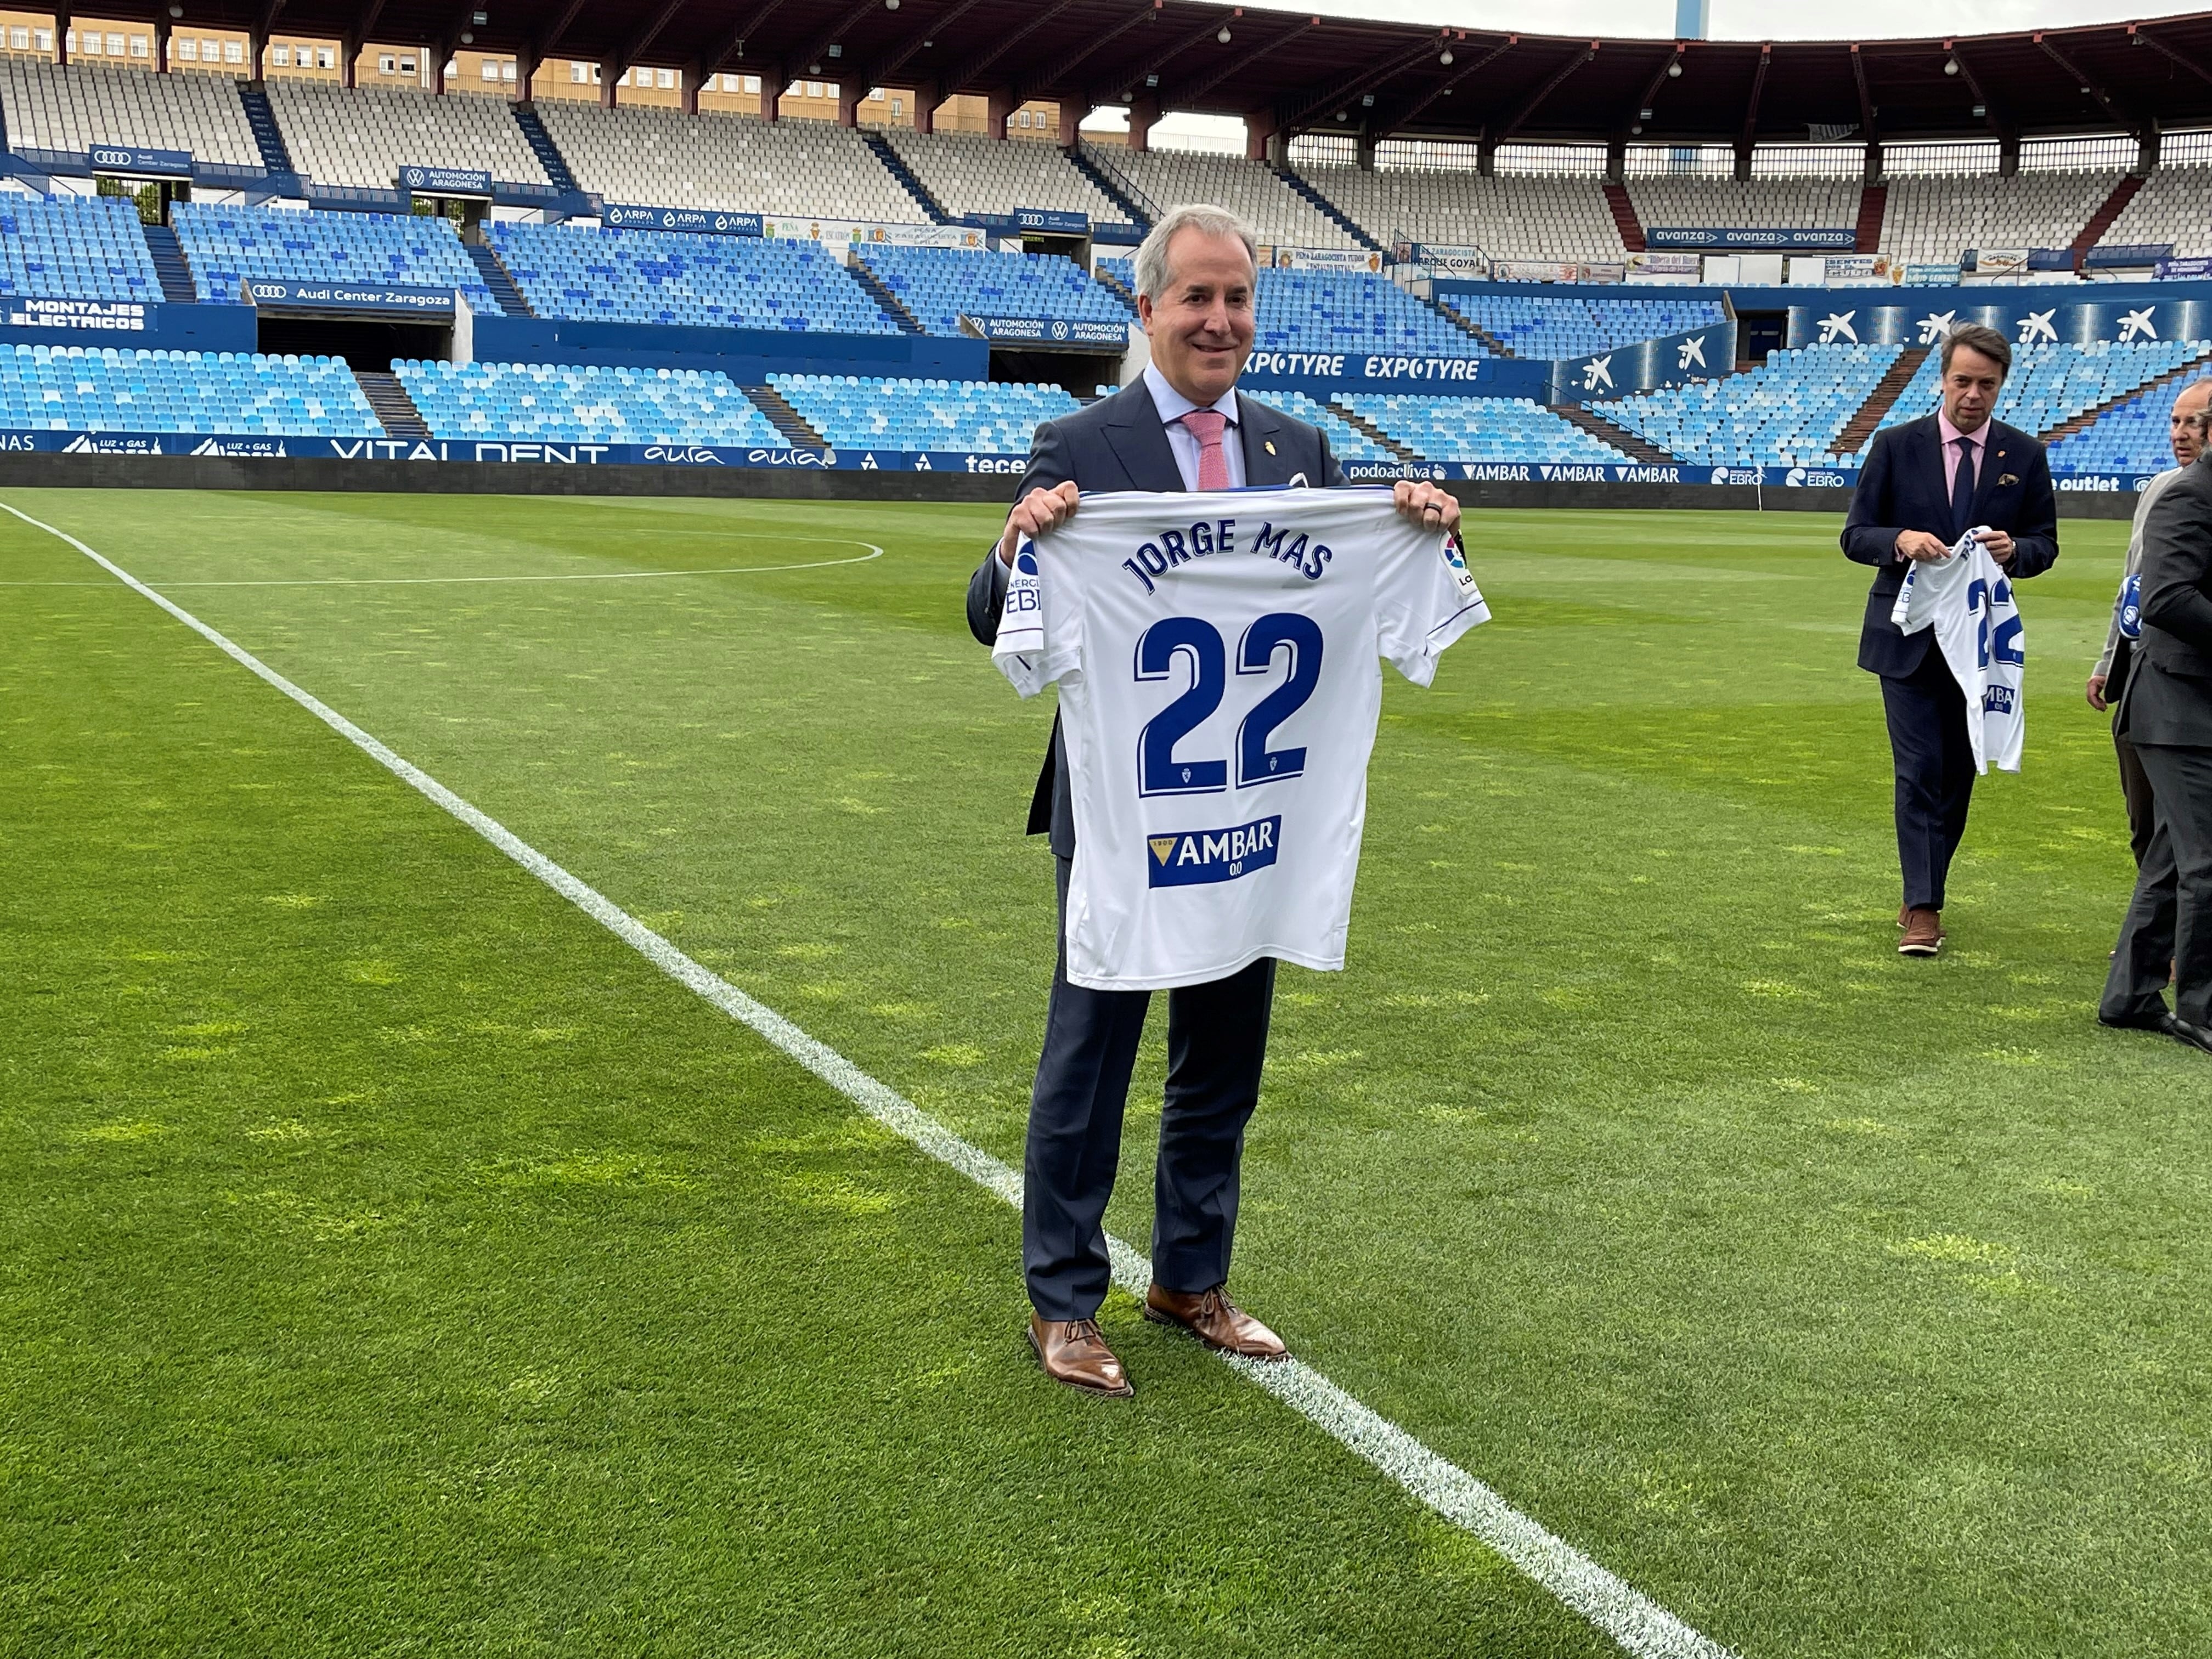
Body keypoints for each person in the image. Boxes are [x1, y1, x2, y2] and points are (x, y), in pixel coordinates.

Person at [964, 203, 1463, 1397]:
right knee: (1093, 1050)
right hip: (1126, 809)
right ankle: (1064, 1299)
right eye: (1195, 297)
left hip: (1256, 811)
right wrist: (1014, 545)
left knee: (1224, 1055)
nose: (1219, 320)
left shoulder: (1301, 453)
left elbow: (1362, 597)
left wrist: (1423, 535)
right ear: (1146, 311)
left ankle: (1191, 1276)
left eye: (1238, 298)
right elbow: (998, 618)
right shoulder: (1077, 440)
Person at [1842, 322, 2059, 957]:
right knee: (1918, 770)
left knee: (1959, 775)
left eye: (1986, 384)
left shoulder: (2023, 455)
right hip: (1905, 636)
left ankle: (1925, 887)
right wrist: (1900, 541)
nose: (1973, 394)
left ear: (2001, 386)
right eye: (1962, 381)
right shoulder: (1894, 445)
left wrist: (2016, 550)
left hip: (1980, 643)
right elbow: (1857, 536)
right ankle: (1924, 907)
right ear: (1942, 379)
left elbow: (2045, 545)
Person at [2100, 427, 2212, 1054]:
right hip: (2175, 704)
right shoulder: (2189, 496)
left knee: (2172, 858)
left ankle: (2131, 997)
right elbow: (2167, 598)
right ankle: (2202, 1007)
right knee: (2207, 860)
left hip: (2195, 703)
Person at [2088, 380, 2212, 866]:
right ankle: (2157, 940)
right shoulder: (2161, 489)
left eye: (2195, 422)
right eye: (2176, 421)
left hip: (2193, 684)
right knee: (2146, 827)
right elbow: (2133, 585)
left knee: (2187, 837)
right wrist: (2107, 659)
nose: (2182, 433)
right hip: (2142, 676)